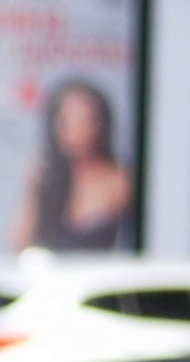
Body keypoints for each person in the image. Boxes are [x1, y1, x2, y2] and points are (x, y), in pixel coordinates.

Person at [14, 76, 138, 253]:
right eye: (65, 119)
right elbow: (19, 246)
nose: (73, 129)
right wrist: (33, 189)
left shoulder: (119, 182)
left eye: (82, 119)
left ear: (100, 123)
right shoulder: (49, 179)